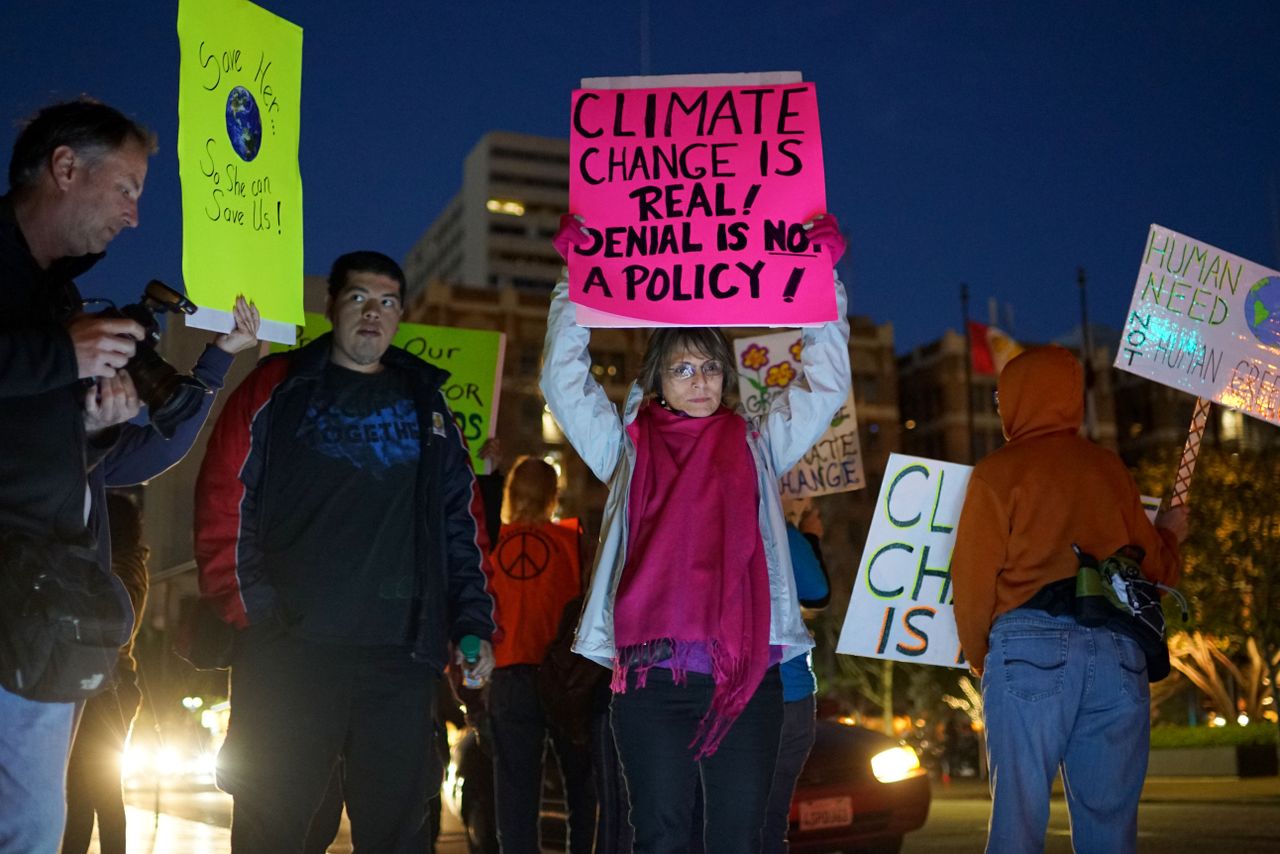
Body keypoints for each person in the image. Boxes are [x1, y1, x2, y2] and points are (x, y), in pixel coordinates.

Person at [539, 214, 851, 853]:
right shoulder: (625, 448)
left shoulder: (760, 444)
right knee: (660, 837)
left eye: (711, 368)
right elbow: (563, 383)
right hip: (653, 686)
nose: (701, 382)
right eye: (683, 370)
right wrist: (574, 283)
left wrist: (827, 284)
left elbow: (824, 383)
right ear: (657, 380)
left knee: (736, 838)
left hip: (748, 678)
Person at [194, 250, 497, 854]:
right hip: (289, 656)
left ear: (401, 316)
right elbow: (223, 498)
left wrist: (472, 624)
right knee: (275, 829)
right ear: (331, 305)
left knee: (401, 831)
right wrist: (254, 613)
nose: (372, 314)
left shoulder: (428, 405)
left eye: (387, 302)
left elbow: (462, 525)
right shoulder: (276, 387)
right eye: (359, 297)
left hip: (400, 660)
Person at [950, 345, 1189, 854]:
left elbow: (971, 580)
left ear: (1019, 400)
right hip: (1118, 654)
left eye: (1001, 396)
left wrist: (980, 657)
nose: (997, 406)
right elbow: (1155, 569)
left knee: (1017, 821)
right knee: (1110, 827)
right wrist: (1170, 535)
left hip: (1028, 646)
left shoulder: (997, 472)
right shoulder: (1107, 468)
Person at [0, 97, 157, 852]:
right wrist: (62, 355)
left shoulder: (56, 298)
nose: (132, 216)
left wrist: (90, 430)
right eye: (126, 188)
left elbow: (30, 441)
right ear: (65, 167)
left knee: (30, 828)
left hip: (37, 609)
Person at [61, 296, 261, 854]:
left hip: (85, 659)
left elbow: (166, 440)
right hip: (26, 643)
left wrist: (218, 359)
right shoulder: (31, 426)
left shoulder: (96, 445)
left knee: (75, 801)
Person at [486, 456, 596, 854]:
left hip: (511, 676)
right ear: (553, 496)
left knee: (516, 802)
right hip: (565, 680)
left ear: (512, 494)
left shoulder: (492, 543)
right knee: (582, 791)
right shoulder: (572, 540)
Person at [761, 504, 830, 854]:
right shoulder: (779, 531)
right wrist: (808, 539)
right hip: (790, 691)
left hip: (722, 687)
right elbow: (818, 593)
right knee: (771, 823)